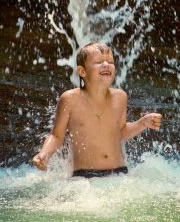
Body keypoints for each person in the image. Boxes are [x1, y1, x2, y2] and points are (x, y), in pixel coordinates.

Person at [32, 41, 162, 178]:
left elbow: (121, 132)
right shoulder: (70, 99)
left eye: (110, 61)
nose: (106, 65)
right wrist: (44, 155)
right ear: (82, 71)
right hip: (85, 177)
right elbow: (56, 136)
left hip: (119, 173)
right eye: (99, 62)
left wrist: (142, 123)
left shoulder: (120, 97)